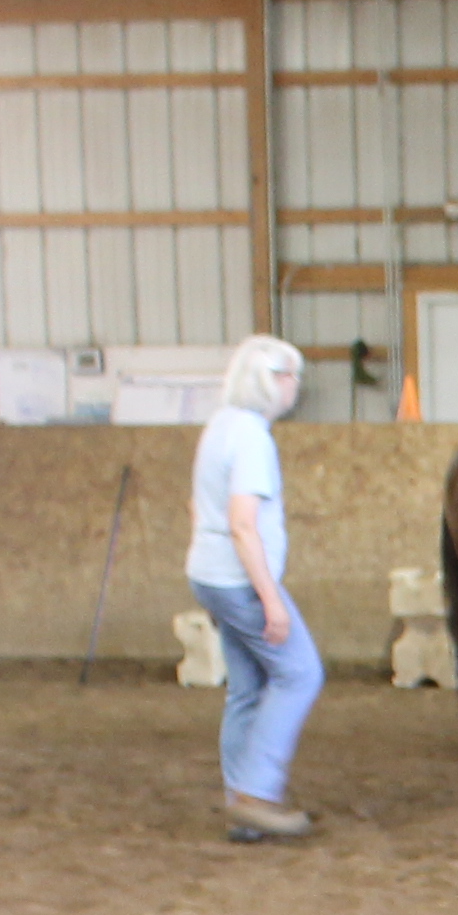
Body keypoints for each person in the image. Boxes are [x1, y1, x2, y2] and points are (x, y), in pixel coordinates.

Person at [189, 336, 323, 842]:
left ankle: (240, 805)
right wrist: (271, 600)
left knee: (247, 688)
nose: (296, 387)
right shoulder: (252, 438)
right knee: (300, 674)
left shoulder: (219, 426)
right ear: (271, 381)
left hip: (209, 573)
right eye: (291, 377)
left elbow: (197, 506)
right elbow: (244, 524)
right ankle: (256, 793)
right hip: (239, 579)